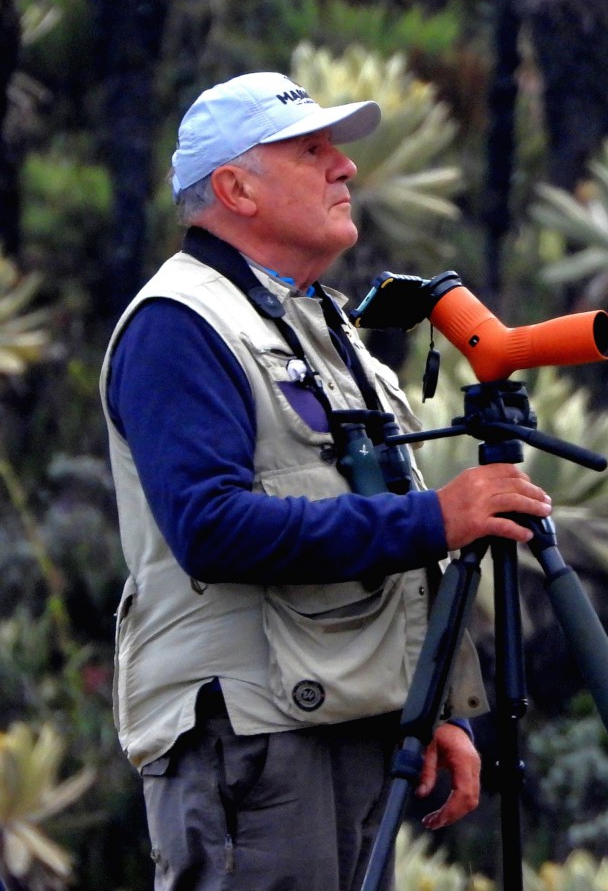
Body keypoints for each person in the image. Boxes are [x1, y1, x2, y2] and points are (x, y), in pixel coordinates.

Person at [100, 72, 554, 891]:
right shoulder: (179, 324)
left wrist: (430, 705)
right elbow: (213, 529)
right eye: (312, 153)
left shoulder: (322, 321)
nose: (344, 169)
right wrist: (435, 519)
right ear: (236, 187)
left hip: (346, 717)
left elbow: (364, 496)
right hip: (251, 735)